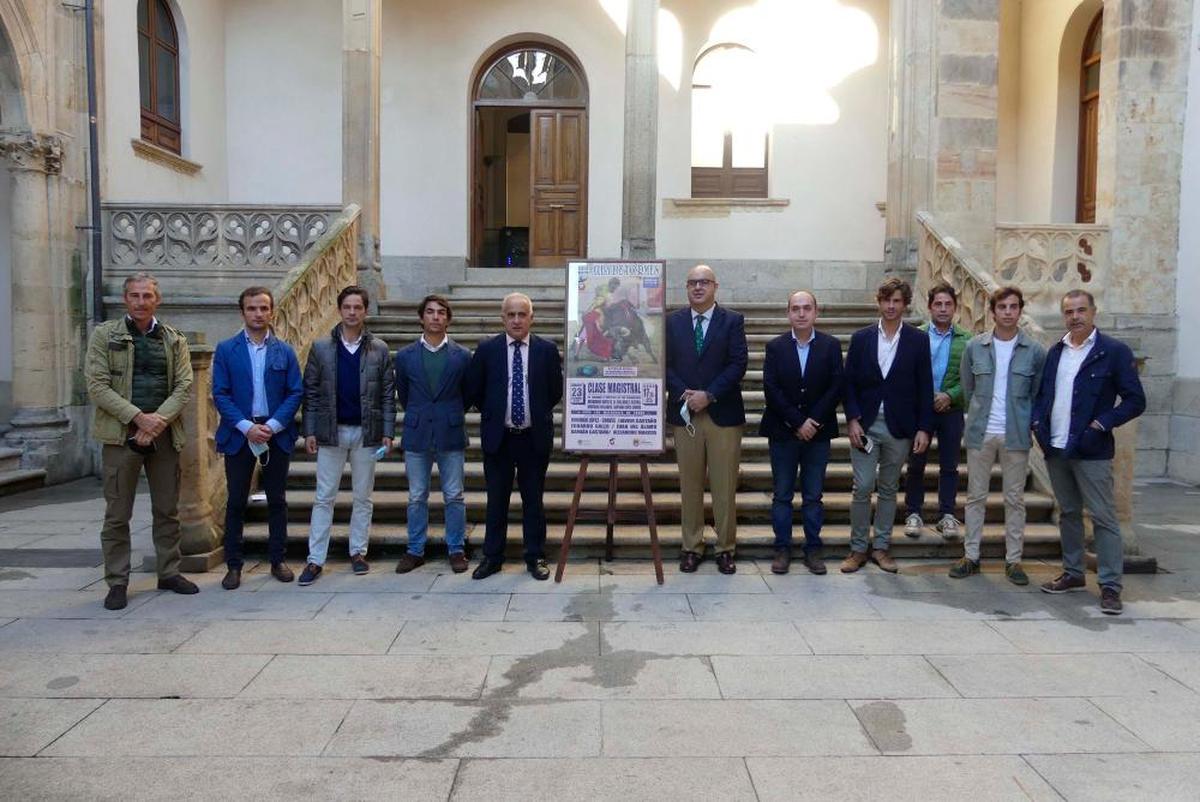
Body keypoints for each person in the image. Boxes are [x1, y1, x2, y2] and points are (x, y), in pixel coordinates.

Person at [84, 272, 198, 610]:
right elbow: (98, 386)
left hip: (162, 435)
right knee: (118, 513)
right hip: (122, 436)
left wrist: (156, 421)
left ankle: (169, 571)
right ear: (125, 299)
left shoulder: (174, 339)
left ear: (157, 300)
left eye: (147, 296)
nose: (141, 302)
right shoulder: (105, 335)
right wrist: (138, 418)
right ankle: (117, 582)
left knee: (167, 509)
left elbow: (184, 386)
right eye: (134, 296)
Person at [1033, 289, 1145, 615]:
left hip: (1091, 449)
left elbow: (1136, 400)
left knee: (1103, 517)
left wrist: (1101, 424)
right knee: (1068, 512)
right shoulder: (1056, 351)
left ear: (1094, 312)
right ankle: (1073, 572)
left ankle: (1110, 586)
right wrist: (1037, 422)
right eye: (1069, 312)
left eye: (1081, 310)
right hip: (1055, 446)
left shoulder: (1114, 352)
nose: (1075, 317)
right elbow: (1044, 394)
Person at [299, 285, 395, 585]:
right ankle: (315, 559)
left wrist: (388, 432)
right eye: (347, 307)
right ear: (340, 310)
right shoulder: (321, 348)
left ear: (365, 311)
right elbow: (311, 391)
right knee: (324, 497)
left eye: (358, 307)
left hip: (367, 433)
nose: (352, 312)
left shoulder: (379, 348)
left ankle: (358, 552)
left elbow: (388, 396)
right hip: (332, 432)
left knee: (362, 497)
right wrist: (310, 429)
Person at [950, 286, 1046, 584]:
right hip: (981, 432)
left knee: (1014, 499)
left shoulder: (1034, 351)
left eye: (1013, 307)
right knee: (975, 496)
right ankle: (971, 555)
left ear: (1020, 311)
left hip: (1015, 435)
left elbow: (1037, 392)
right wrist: (976, 415)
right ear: (992, 312)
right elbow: (968, 389)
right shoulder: (975, 347)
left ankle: (1013, 560)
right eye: (1002, 307)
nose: (1007, 312)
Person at [211, 286, 304, 589]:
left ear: (271, 311)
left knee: (277, 499)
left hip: (275, 433)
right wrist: (244, 426)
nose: (258, 314)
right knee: (237, 500)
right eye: (252, 308)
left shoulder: (284, 351)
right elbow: (220, 393)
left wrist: (274, 425)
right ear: (243, 312)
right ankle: (234, 564)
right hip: (240, 433)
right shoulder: (227, 350)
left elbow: (295, 392)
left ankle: (278, 559)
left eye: (264, 308)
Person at [466, 293, 563, 580]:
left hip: (534, 438)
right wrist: (498, 413)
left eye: (523, 314)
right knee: (497, 500)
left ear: (532, 318)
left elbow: (554, 391)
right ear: (503, 318)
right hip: (500, 438)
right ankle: (492, 557)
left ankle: (535, 557)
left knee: (534, 500)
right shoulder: (487, 349)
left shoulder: (546, 350)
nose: (517, 320)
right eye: (511, 314)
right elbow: (475, 390)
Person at [841, 277, 933, 574]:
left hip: (900, 426)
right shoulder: (861, 338)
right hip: (866, 424)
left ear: (905, 305)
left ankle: (881, 548)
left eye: (897, 301)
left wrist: (924, 428)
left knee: (890, 488)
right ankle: (857, 549)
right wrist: (852, 419)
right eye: (886, 300)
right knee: (863, 486)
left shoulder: (918, 340)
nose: (891, 306)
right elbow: (848, 383)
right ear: (878, 302)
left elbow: (925, 387)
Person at [665, 264, 748, 574]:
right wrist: (685, 394)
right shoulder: (672, 322)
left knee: (724, 485)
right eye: (692, 283)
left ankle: (725, 548)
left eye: (704, 282)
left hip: (722, 414)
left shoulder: (732, 321)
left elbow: (738, 364)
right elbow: (665, 364)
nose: (697, 287)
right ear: (686, 288)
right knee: (689, 485)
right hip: (685, 415)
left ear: (715, 287)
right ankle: (691, 546)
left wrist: (708, 395)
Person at [760, 290, 843, 575]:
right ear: (788, 313)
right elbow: (771, 389)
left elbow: (835, 387)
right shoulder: (775, 347)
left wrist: (813, 422)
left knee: (813, 496)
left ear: (816, 312)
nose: (801, 313)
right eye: (796, 308)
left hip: (818, 435)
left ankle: (813, 549)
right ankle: (782, 549)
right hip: (783, 433)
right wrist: (797, 422)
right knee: (782, 495)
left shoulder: (831, 346)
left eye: (807, 308)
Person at [394, 294, 472, 574]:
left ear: (448, 319)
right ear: (421, 317)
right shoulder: (404, 357)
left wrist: (448, 413)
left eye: (441, 312)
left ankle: (456, 548)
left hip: (450, 430)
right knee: (417, 495)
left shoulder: (462, 356)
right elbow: (404, 393)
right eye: (430, 312)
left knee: (454, 494)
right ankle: (415, 550)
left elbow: (469, 394)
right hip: (417, 432)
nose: (436, 317)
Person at [904, 283, 970, 540]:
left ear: (955, 307)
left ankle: (947, 515)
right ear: (930, 306)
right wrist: (926, 397)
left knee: (950, 465)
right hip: (921, 410)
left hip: (951, 410)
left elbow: (971, 378)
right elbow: (907, 374)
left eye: (948, 304)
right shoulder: (915, 336)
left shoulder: (967, 340)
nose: (943, 309)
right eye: (938, 304)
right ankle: (913, 512)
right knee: (916, 462)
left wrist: (950, 395)